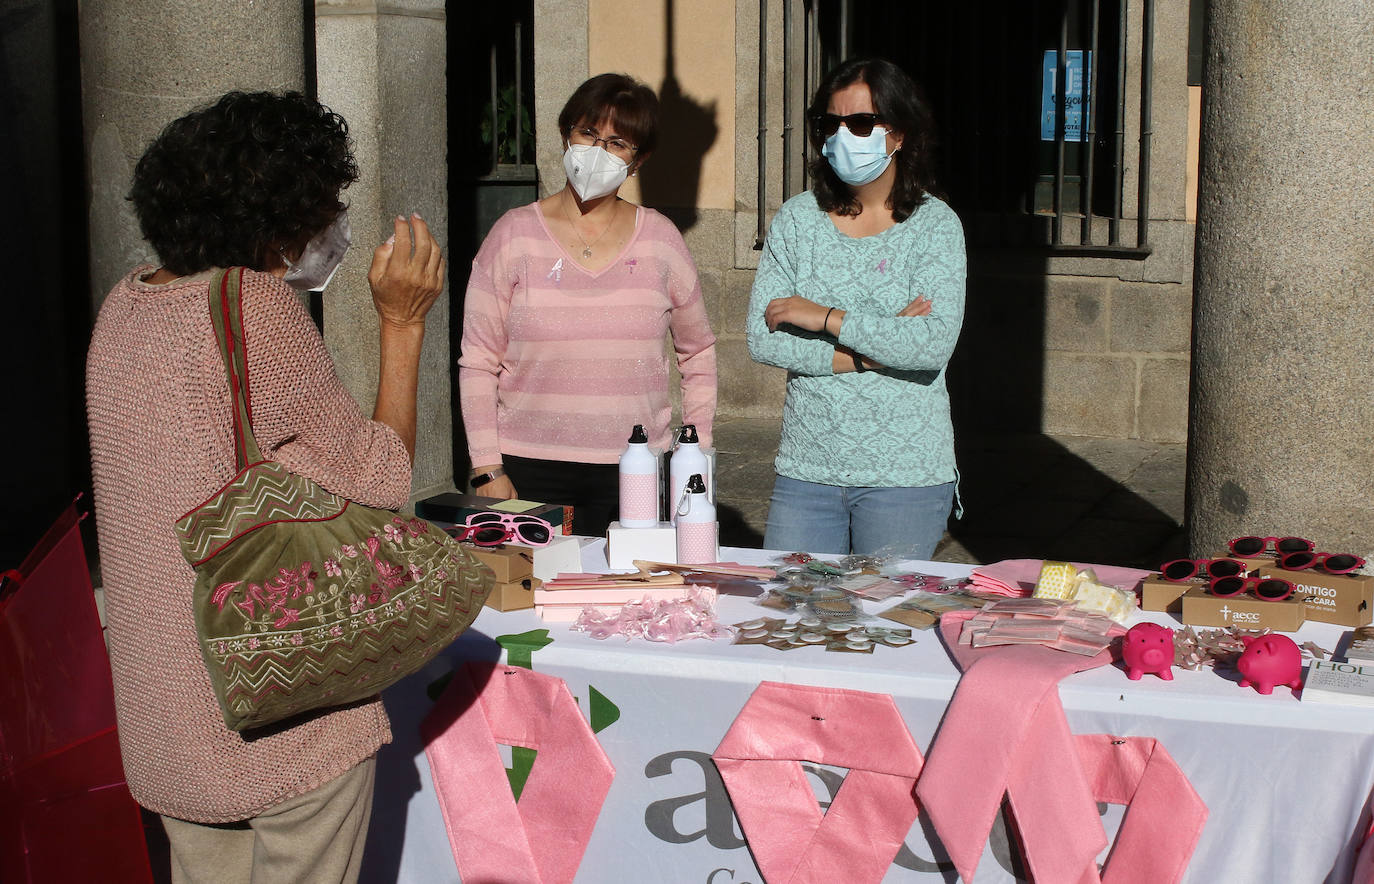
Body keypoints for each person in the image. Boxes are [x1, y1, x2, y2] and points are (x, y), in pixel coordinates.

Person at [85, 91, 445, 883]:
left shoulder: (124, 307)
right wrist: (403, 324)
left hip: (168, 716)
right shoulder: (255, 309)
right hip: (282, 714)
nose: (332, 225)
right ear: (280, 216)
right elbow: (380, 479)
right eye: (326, 204)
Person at [458, 72, 717, 536]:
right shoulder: (512, 235)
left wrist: (695, 451)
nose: (598, 152)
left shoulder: (661, 241)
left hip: (635, 472)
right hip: (525, 469)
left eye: (617, 143)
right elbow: (478, 359)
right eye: (588, 133)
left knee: (630, 583)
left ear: (638, 160)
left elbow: (698, 352)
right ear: (566, 134)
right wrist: (486, 468)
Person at [746, 58, 966, 557]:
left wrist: (824, 317)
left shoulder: (935, 226)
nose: (844, 135)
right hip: (807, 469)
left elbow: (931, 344)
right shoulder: (798, 219)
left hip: (905, 473)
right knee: (792, 603)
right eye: (831, 123)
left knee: (887, 607)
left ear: (899, 133)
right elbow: (762, 338)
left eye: (862, 122)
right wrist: (869, 354)